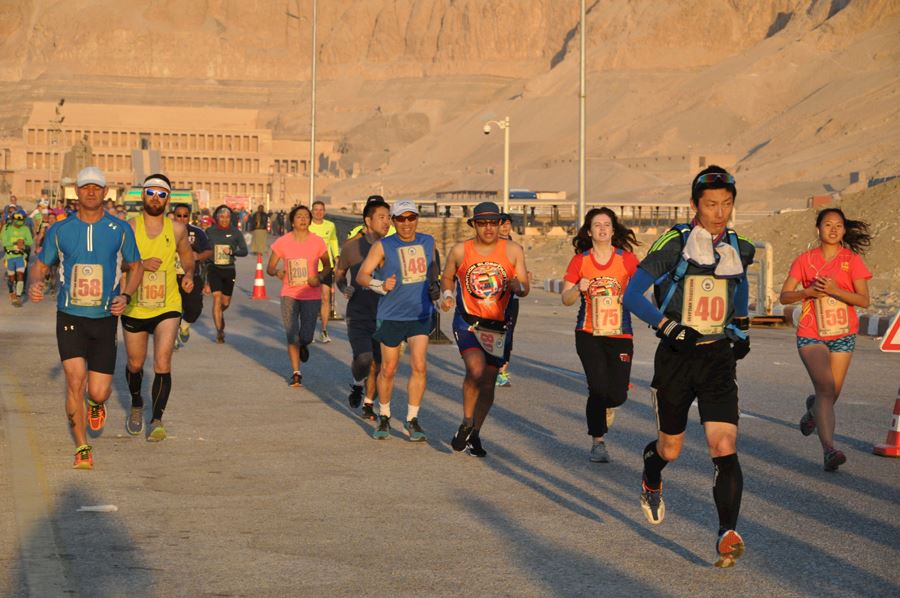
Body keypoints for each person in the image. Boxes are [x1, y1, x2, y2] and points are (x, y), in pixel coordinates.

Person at [622, 166, 755, 568]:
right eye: (711, 204)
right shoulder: (675, 243)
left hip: (717, 357)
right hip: (677, 357)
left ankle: (726, 532)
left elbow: (740, 283)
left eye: (727, 203)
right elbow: (631, 294)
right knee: (671, 448)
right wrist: (667, 326)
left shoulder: (740, 245)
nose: (720, 212)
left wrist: (742, 325)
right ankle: (651, 474)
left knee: (724, 445)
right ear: (695, 205)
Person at [28, 166, 143, 469]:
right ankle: (82, 445)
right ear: (76, 192)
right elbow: (41, 265)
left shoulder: (120, 230)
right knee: (74, 382)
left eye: (97, 187)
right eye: (85, 187)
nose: (91, 192)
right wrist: (35, 283)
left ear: (106, 193)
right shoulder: (60, 229)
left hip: (105, 317)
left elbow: (136, 266)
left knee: (98, 390)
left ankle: (96, 404)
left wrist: (126, 296)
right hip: (70, 315)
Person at [779, 208, 871, 471]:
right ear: (818, 228)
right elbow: (784, 296)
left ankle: (812, 413)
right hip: (811, 333)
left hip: (843, 332)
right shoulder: (804, 260)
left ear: (844, 230)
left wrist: (834, 290)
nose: (833, 229)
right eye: (828, 224)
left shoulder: (851, 260)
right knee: (826, 390)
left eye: (839, 225)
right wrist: (806, 292)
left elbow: (864, 300)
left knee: (831, 394)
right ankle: (829, 450)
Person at [440, 201, 529, 457]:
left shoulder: (513, 250)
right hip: (468, 321)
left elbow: (524, 285)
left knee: (488, 383)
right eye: (483, 223)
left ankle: (474, 432)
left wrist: (518, 287)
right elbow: (447, 276)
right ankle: (467, 421)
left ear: (501, 224)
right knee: (475, 369)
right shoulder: (460, 251)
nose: (489, 228)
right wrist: (447, 293)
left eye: (493, 222)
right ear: (474, 225)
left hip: (498, 326)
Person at [356, 200, 440, 441]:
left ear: (417, 219)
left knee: (419, 365)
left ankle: (412, 420)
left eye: (411, 218)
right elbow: (363, 275)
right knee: (389, 369)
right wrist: (380, 285)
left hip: (419, 314)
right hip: (391, 315)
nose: (406, 223)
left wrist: (436, 289)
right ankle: (384, 416)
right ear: (393, 221)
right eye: (401, 219)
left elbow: (433, 269)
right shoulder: (383, 245)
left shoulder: (428, 241)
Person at [561, 208, 640, 463]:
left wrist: (630, 298)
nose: (603, 229)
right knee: (597, 387)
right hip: (588, 333)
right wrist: (577, 287)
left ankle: (607, 405)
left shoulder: (627, 259)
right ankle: (598, 441)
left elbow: (639, 293)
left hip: (620, 333)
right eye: (597, 225)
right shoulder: (580, 261)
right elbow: (566, 299)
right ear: (589, 231)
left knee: (617, 395)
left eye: (607, 224)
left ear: (613, 230)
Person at [121, 174, 195, 441]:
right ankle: (137, 403)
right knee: (135, 363)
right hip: (136, 304)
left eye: (161, 194)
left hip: (167, 304)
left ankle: (157, 419)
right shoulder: (129, 227)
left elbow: (188, 257)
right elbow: (118, 264)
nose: (156, 198)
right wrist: (138, 263)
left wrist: (188, 274)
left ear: (168, 199)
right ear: (143, 195)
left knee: (163, 362)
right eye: (151, 192)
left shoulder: (176, 229)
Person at [334, 195, 392, 420]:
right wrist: (344, 287)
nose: (387, 222)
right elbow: (339, 273)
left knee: (378, 363)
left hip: (385, 314)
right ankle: (358, 382)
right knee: (365, 359)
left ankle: (368, 404)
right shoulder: (351, 248)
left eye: (389, 217)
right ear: (368, 221)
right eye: (381, 217)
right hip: (359, 314)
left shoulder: (393, 247)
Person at [267, 205, 331, 387]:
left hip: (311, 294)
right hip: (289, 293)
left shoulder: (318, 242)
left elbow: (328, 266)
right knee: (291, 334)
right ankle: (296, 373)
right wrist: (277, 272)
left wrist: (318, 277)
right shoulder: (283, 242)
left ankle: (304, 344)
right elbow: (269, 268)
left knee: (307, 335)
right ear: (292, 221)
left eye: (306, 216)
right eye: (299, 216)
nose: (303, 219)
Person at [204, 205, 248, 343]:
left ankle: (219, 313)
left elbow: (244, 250)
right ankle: (219, 331)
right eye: (221, 217)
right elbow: (203, 250)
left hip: (229, 269)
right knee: (217, 298)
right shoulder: (209, 231)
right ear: (217, 218)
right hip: (213, 268)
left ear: (230, 218)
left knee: (225, 302)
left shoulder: (235, 232)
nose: (224, 219)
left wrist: (232, 252)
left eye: (227, 217)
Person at [171, 203, 213, 348]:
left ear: (189, 217)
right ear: (173, 216)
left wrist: (198, 256)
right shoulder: (165, 232)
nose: (182, 219)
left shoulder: (198, 233)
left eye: (185, 216)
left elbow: (209, 251)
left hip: (192, 276)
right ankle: (172, 337)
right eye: (178, 215)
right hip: (171, 277)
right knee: (172, 309)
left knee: (194, 308)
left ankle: (185, 325)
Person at [309, 200, 340, 343]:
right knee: (310, 300)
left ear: (325, 211)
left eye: (321, 210)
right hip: (311, 266)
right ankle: (308, 331)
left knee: (326, 298)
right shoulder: (307, 226)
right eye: (316, 210)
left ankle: (324, 331)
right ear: (312, 211)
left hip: (327, 266)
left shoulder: (330, 225)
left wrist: (336, 256)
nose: (318, 212)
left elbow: (333, 241)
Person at [495, 212, 518, 387]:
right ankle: (490, 368)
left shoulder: (516, 247)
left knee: (508, 335)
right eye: (501, 223)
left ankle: (501, 371)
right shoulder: (489, 246)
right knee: (494, 333)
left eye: (507, 223)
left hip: (512, 298)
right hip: (491, 298)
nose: (505, 227)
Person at [2, 211, 33, 306]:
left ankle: (18, 297)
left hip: (21, 256)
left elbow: (30, 242)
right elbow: (4, 242)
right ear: (13, 220)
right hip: (10, 256)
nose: (20, 223)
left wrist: (23, 243)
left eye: (21, 220)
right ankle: (11, 291)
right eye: (17, 221)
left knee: (20, 275)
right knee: (11, 278)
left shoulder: (25, 229)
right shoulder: (6, 228)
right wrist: (15, 242)